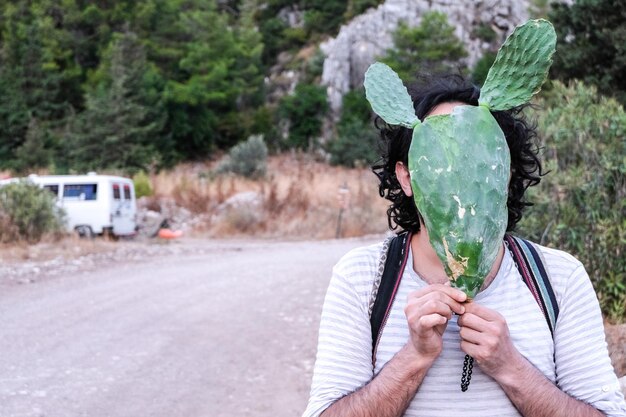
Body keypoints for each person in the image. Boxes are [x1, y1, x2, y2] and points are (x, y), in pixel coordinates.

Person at [302, 75, 626, 417]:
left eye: (475, 155)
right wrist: (415, 356)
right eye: (440, 155)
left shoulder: (559, 278)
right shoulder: (362, 277)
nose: (457, 171)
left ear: (504, 170)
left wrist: (511, 367)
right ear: (406, 177)